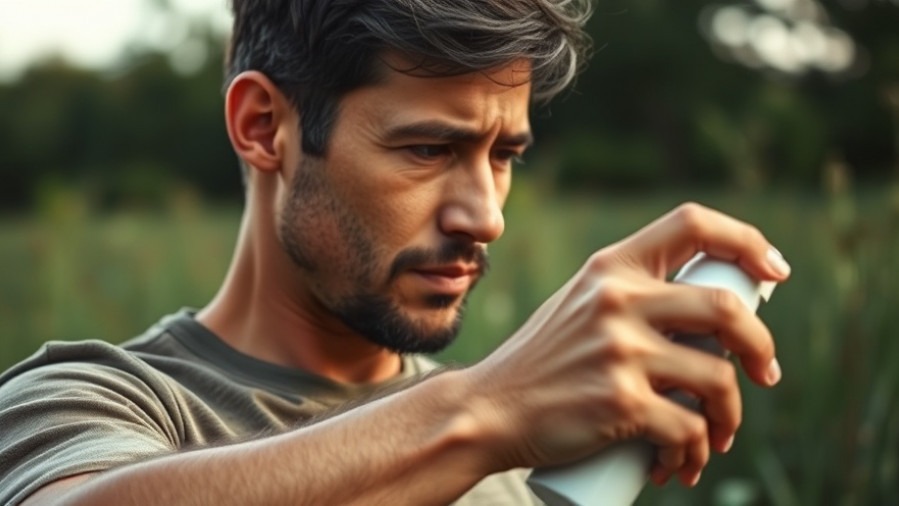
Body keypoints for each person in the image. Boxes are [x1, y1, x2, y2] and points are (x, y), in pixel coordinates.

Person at [0, 0, 792, 504]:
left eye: (503, 155)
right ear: (263, 127)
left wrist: (498, 418)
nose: (485, 216)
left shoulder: (516, 460)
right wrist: (489, 408)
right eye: (425, 149)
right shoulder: (83, 404)